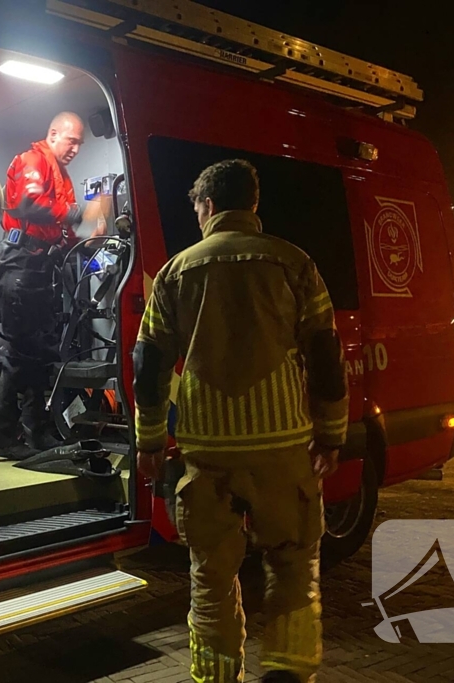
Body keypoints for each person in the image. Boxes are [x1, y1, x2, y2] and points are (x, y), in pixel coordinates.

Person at [133, 159, 348, 683]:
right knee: (294, 569)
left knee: (211, 577)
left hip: (208, 454)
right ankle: (288, 672)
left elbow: (150, 364)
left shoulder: (176, 273)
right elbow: (325, 357)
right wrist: (332, 433)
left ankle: (216, 676)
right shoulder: (294, 263)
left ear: (206, 206)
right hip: (283, 451)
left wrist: (150, 438)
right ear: (253, 205)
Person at [0, 111, 109, 458]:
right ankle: (0, 434)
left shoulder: (61, 177)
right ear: (52, 134)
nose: (76, 148)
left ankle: (36, 432)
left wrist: (87, 241)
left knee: (41, 354)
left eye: (80, 143)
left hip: (40, 268)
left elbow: (59, 230)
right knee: (18, 353)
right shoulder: (33, 160)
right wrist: (81, 214)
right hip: (20, 265)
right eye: (71, 140)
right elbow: (29, 204)